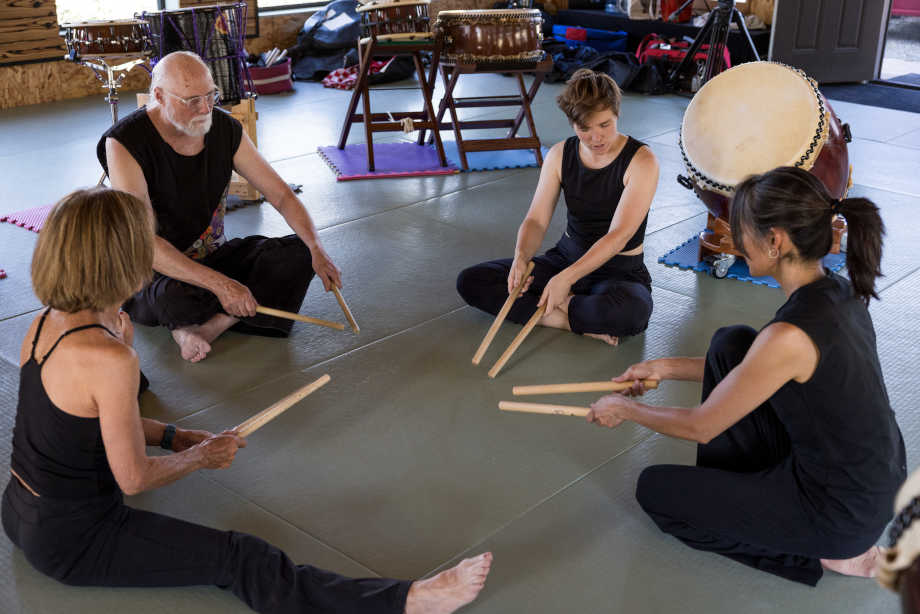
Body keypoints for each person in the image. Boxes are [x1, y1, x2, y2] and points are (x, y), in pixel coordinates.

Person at [1, 187, 492, 614]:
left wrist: (173, 437)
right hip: (75, 538)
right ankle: (406, 601)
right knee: (243, 558)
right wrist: (201, 456)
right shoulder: (111, 357)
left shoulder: (47, 321)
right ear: (122, 260)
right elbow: (133, 479)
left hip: (20, 512)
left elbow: (82, 421)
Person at [586, 166, 906, 586]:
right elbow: (757, 369)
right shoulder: (837, 291)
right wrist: (662, 368)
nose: (735, 241)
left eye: (742, 231)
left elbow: (702, 426)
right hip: (870, 480)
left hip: (841, 513)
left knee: (655, 491)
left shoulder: (789, 336)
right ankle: (764, 502)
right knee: (731, 343)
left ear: (775, 241)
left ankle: (819, 556)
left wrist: (625, 408)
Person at [98, 51, 341, 363]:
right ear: (158, 96)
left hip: (211, 258)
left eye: (210, 95)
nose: (205, 108)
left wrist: (317, 248)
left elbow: (281, 195)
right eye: (191, 100)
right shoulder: (124, 143)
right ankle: (189, 322)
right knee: (172, 297)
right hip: (155, 274)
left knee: (299, 252)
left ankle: (211, 326)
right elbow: (145, 244)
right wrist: (223, 286)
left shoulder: (224, 128)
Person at [456, 69, 658, 346]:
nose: (596, 138)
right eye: (584, 129)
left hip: (618, 271)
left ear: (617, 114)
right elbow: (537, 220)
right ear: (572, 123)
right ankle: (563, 319)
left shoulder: (642, 161)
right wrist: (521, 258)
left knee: (633, 314)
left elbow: (618, 235)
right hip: (565, 257)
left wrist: (565, 280)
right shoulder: (560, 155)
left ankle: (552, 307)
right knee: (471, 281)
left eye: (604, 125)